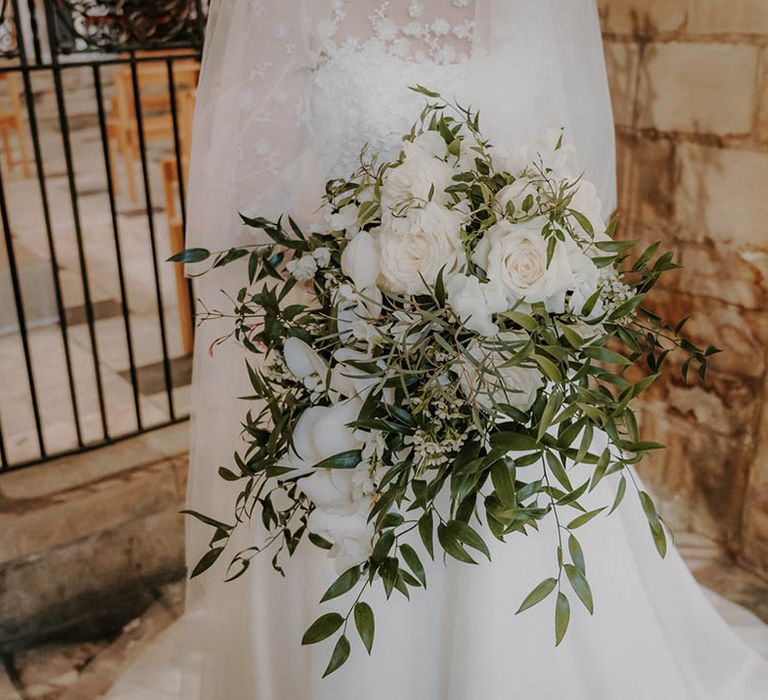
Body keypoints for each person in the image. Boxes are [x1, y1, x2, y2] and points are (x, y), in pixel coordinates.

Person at [107, 2, 768, 698]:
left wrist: (527, 285)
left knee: (527, 582)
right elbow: (245, 215)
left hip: (516, 369)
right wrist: (371, 284)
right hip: (365, 370)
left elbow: (568, 180)